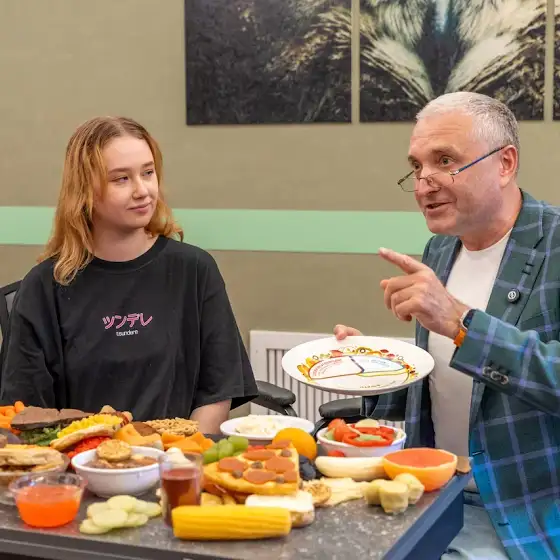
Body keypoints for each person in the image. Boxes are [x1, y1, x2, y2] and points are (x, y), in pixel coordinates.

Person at [335, 92, 560, 559]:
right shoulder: (441, 248)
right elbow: (449, 384)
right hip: (435, 491)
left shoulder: (553, 245)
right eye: (416, 166)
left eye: (444, 161)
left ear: (505, 163)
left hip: (524, 511)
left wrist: (461, 324)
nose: (424, 184)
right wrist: (374, 368)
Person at [0, 116, 258, 433]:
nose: (142, 190)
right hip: (78, 459)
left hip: (178, 457)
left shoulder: (195, 270)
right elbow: (27, 415)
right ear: (85, 190)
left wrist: (180, 454)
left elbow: (216, 393)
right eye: (121, 179)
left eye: (148, 173)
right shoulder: (43, 288)